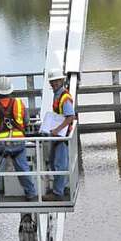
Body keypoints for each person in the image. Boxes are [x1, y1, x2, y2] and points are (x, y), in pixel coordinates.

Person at [40, 69, 75, 200]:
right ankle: (61, 187)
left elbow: (71, 116)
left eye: (56, 81)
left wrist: (56, 129)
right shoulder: (57, 94)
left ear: (62, 80)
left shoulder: (64, 97)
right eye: (52, 81)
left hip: (61, 135)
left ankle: (58, 193)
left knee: (60, 164)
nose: (54, 83)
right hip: (58, 134)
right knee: (55, 163)